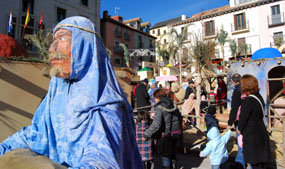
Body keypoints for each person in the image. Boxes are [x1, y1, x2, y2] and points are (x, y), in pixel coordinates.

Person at [0, 16, 143, 169]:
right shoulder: (55, 95)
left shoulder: (106, 106)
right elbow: (37, 133)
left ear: (84, 45)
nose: (51, 49)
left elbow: (102, 161)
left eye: (61, 38)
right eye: (53, 41)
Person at [238, 74, 271, 169]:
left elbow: (243, 118)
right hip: (261, 132)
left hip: (252, 136)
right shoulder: (258, 97)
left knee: (255, 163)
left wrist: (240, 129)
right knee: (261, 163)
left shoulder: (248, 101)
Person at [143, 89, 182, 169]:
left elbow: (156, 124)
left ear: (158, 97)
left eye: (154, 98)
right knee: (172, 152)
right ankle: (174, 166)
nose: (154, 100)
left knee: (165, 155)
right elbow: (179, 117)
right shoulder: (172, 103)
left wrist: (146, 134)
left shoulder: (159, 106)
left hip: (166, 133)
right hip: (176, 131)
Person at [227, 73, 246, 168]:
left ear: (233, 81)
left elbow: (234, 108)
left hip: (240, 119)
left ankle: (240, 163)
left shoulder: (237, 91)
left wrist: (229, 122)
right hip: (247, 118)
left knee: (240, 141)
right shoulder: (245, 90)